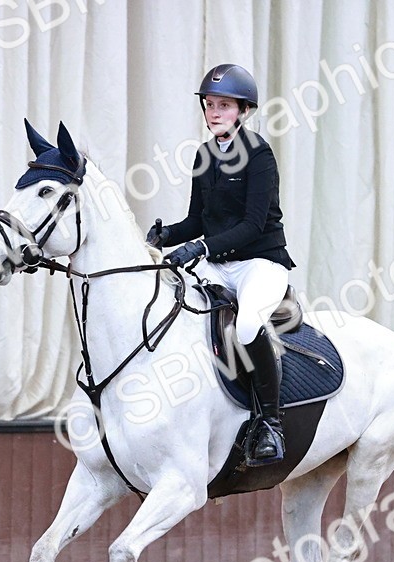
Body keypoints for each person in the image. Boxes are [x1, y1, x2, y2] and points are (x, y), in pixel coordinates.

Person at [148, 63, 295, 467]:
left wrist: (197, 247)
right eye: (210, 105)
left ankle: (269, 422)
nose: (214, 113)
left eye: (224, 105)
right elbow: (197, 219)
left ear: (243, 110)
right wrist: (167, 236)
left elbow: (250, 225)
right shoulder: (205, 155)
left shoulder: (259, 154)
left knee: (247, 325)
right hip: (216, 261)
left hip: (259, 262)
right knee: (171, 298)